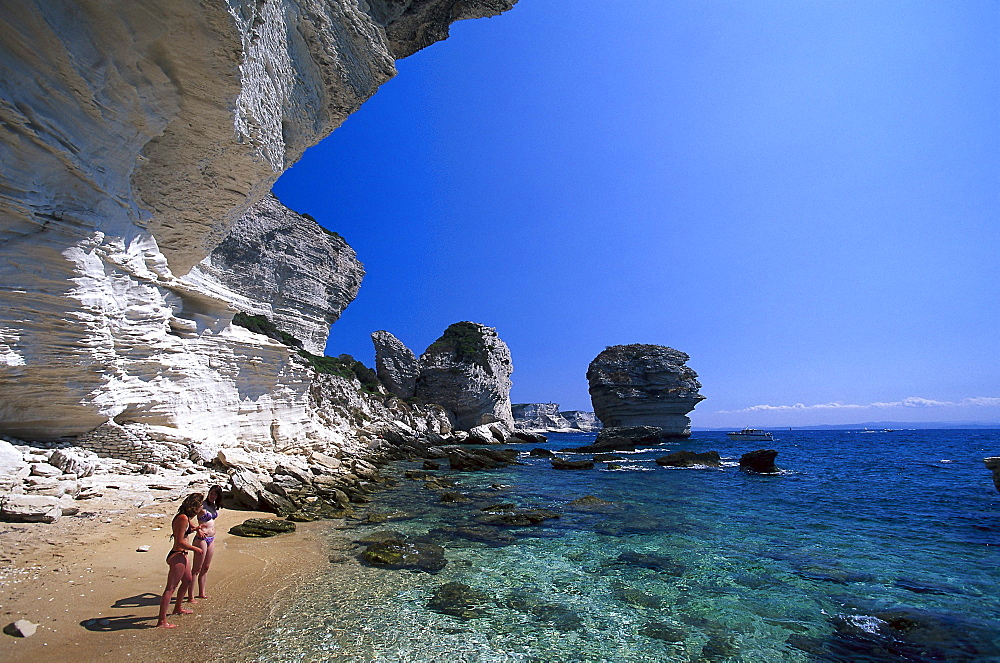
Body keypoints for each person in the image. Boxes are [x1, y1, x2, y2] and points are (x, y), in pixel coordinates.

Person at [157, 492, 203, 628]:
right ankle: (161, 621)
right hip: (177, 554)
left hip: (183, 554)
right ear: (194, 507)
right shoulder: (182, 518)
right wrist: (196, 549)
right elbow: (180, 541)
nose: (201, 507)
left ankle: (178, 607)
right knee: (170, 588)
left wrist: (197, 529)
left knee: (188, 580)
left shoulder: (185, 517)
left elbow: (189, 528)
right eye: (200, 505)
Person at [188, 484, 223, 601]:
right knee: (196, 569)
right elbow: (187, 518)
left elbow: (211, 521)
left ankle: (202, 593)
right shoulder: (201, 505)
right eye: (212, 493)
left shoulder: (214, 506)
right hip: (201, 539)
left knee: (206, 567)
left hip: (211, 539)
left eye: (215, 494)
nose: (213, 496)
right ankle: (190, 596)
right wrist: (197, 529)